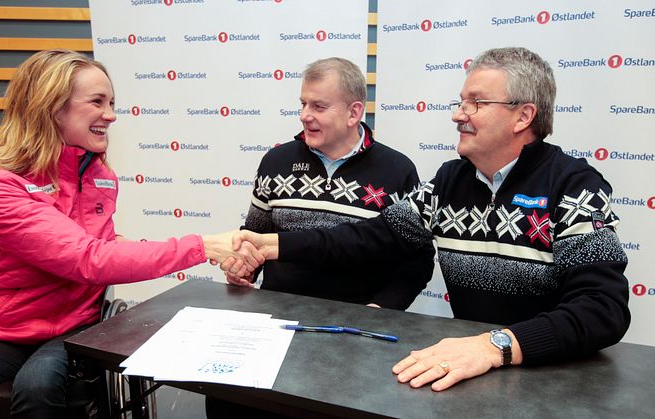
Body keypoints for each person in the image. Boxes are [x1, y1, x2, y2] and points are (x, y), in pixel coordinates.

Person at [230, 47, 630, 392]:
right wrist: (272, 245)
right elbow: (373, 236)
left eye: (476, 103)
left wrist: (495, 345)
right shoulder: (449, 181)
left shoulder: (575, 187)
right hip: (467, 373)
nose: (459, 115)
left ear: (523, 116)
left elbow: (603, 309)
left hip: (549, 378)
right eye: (461, 101)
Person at [0, 49, 261, 419]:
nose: (110, 115)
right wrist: (202, 246)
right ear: (51, 106)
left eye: (111, 102)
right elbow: (84, 258)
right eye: (97, 102)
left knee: (39, 386)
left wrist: (210, 250)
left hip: (76, 321)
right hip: (2, 330)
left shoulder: (98, 174)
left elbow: (100, 247)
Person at [226, 57, 433, 309]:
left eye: (319, 107)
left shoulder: (398, 170)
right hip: (276, 318)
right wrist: (243, 269)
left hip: (358, 325)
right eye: (303, 104)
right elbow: (256, 236)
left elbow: (418, 259)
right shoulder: (275, 161)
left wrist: (383, 307)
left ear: (353, 113)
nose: (304, 116)